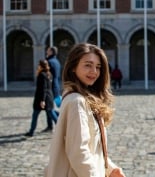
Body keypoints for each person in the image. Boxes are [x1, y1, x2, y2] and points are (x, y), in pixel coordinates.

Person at [45, 43, 126, 177]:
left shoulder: (84, 98)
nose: (94, 71)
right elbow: (79, 153)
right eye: (88, 65)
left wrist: (109, 168)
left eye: (98, 67)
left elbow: (92, 148)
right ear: (73, 68)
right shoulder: (77, 102)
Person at [25, 60, 58, 137]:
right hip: (49, 97)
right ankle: (62, 129)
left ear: (41, 66)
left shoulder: (42, 75)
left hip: (41, 98)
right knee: (52, 114)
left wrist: (42, 100)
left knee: (36, 115)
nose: (38, 66)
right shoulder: (49, 74)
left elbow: (44, 88)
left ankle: (31, 132)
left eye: (38, 65)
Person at [43, 46, 62, 133]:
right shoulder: (57, 61)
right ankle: (50, 126)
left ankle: (58, 124)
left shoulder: (49, 62)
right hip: (56, 86)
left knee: (49, 108)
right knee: (49, 107)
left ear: (51, 52)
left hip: (50, 87)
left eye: (48, 50)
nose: (47, 51)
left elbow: (47, 76)